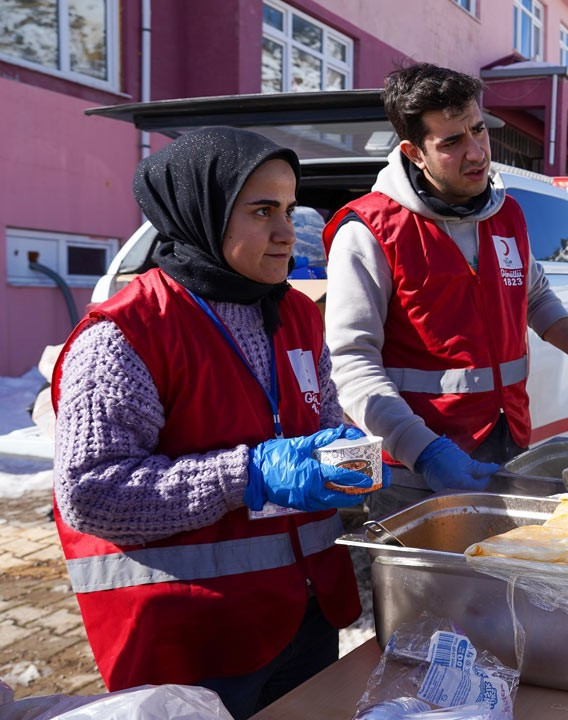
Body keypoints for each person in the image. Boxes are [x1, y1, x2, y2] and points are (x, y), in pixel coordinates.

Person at [52, 127, 384, 719]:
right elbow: (91, 494)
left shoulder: (296, 314)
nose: (288, 233)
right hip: (196, 639)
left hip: (306, 612)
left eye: (290, 210)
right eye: (262, 211)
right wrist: (246, 474)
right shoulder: (127, 335)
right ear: (199, 213)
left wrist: (344, 458)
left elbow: (322, 421)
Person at [323, 63, 568, 517]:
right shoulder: (369, 231)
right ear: (414, 152)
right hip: (416, 469)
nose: (477, 152)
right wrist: (423, 451)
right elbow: (350, 362)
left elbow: (535, 296)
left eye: (478, 130)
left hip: (507, 439)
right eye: (451, 142)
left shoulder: (506, 214)